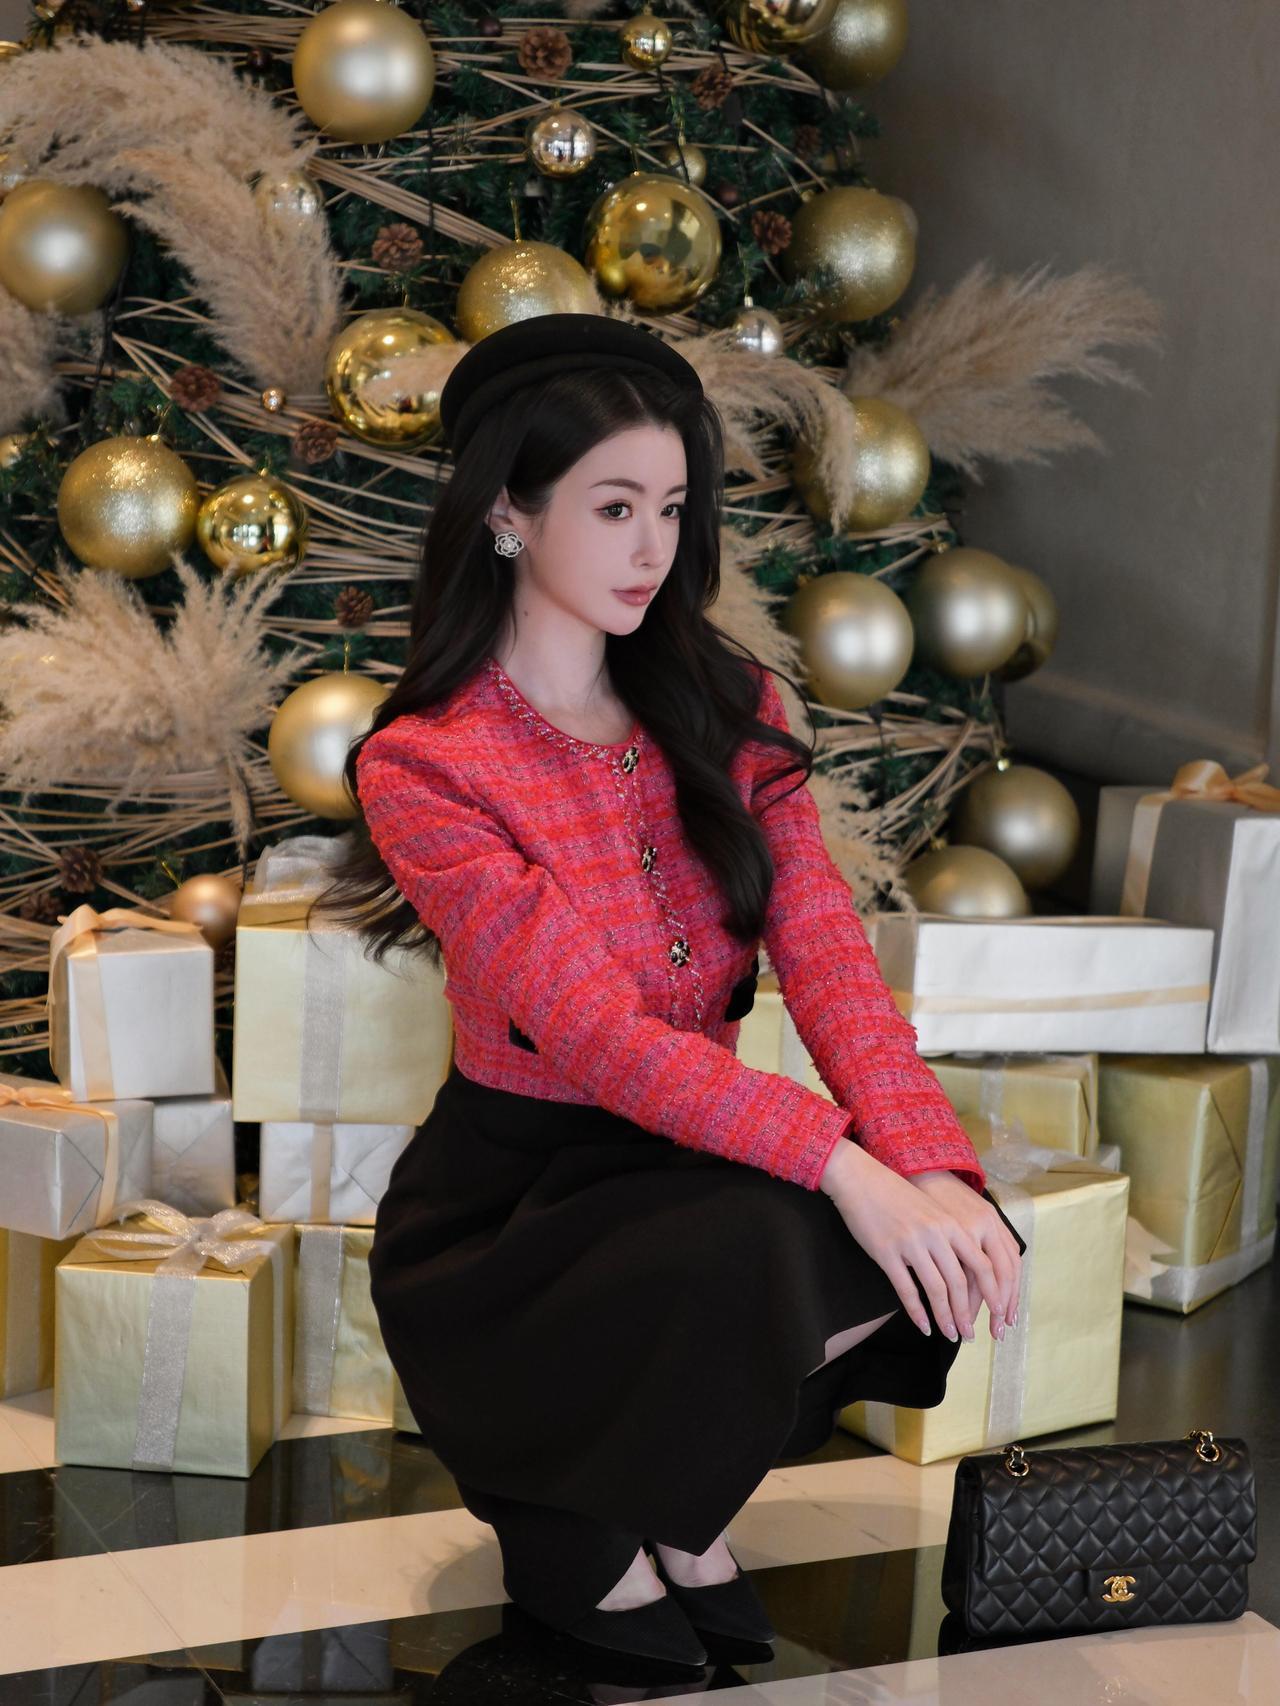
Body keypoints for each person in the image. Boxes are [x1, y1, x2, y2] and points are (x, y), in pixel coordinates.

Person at [311, 312, 1025, 1678]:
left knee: (939, 1233)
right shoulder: (429, 767)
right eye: (614, 506)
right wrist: (849, 1167)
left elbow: (828, 957)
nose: (653, 547)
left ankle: (654, 1488)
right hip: (517, 1198)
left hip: (693, 1146)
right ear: (509, 513)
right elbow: (604, 1040)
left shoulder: (725, 703)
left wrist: (926, 1162)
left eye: (674, 507)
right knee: (789, 1235)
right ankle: (565, 1502)